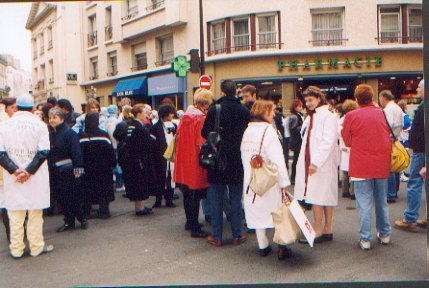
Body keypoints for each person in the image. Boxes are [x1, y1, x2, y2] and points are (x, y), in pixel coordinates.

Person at [0, 94, 54, 258]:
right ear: (32, 108)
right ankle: (37, 246)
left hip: (13, 177)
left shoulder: (5, 125)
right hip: (35, 176)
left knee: (15, 213)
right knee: (35, 213)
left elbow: (1, 153)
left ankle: (16, 249)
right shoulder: (40, 125)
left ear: (16, 108)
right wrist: (28, 171)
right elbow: (44, 151)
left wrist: (16, 170)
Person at [341, 84, 392, 250]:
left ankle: (365, 239)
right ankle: (384, 234)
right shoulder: (382, 113)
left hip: (360, 165)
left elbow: (346, 140)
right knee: (381, 201)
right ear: (372, 97)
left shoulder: (351, 116)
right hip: (381, 164)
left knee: (363, 203)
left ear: (356, 99)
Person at [241, 100, 292, 259]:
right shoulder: (269, 132)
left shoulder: (247, 131)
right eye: (271, 112)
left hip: (252, 180)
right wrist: (284, 183)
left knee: (257, 212)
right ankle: (282, 245)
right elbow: (278, 160)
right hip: (270, 180)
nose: (273, 114)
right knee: (278, 211)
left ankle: (262, 245)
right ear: (264, 113)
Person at [202, 80, 250, 246]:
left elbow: (204, 132)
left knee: (216, 198)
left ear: (222, 92)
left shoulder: (215, 110)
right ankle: (237, 234)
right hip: (237, 159)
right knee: (236, 199)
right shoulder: (244, 110)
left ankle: (217, 236)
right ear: (235, 91)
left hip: (218, 159)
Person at [294, 86, 339, 244]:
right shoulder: (312, 116)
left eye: (311, 100)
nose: (308, 103)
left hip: (320, 162)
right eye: (306, 100)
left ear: (319, 99)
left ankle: (319, 230)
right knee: (323, 195)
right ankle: (327, 229)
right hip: (313, 160)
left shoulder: (327, 115)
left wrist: (315, 162)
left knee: (319, 196)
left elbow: (328, 141)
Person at [174, 88, 213, 238]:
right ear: (205, 104)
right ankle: (195, 227)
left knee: (187, 193)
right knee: (195, 194)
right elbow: (201, 142)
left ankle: (189, 222)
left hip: (183, 159)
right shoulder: (200, 119)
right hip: (194, 161)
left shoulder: (184, 117)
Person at [395, 79, 427, 231]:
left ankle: (410, 219)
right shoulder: (422, 107)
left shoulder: (423, 108)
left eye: (419, 88)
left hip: (421, 151)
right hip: (421, 150)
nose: (417, 91)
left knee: (414, 183)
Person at [48, 108, 87, 232]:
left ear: (62, 119)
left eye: (54, 118)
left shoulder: (69, 133)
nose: (51, 120)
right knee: (61, 197)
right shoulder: (51, 134)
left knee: (72, 197)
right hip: (56, 171)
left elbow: (76, 154)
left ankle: (81, 218)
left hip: (68, 171)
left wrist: (78, 172)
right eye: (50, 118)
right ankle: (68, 221)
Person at [113, 105, 156, 216]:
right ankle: (140, 209)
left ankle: (139, 206)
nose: (145, 114)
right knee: (140, 183)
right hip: (138, 159)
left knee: (136, 183)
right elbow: (145, 142)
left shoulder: (130, 125)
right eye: (143, 112)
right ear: (138, 114)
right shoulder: (138, 126)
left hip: (130, 159)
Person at [79, 112, 116, 219]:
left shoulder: (81, 136)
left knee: (87, 190)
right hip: (103, 169)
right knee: (103, 189)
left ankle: (87, 211)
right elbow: (110, 152)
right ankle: (104, 210)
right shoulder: (103, 135)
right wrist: (112, 164)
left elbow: (78, 153)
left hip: (87, 169)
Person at [378, 90, 404, 203]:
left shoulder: (388, 109)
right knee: (395, 167)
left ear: (383, 98)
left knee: (389, 168)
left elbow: (387, 124)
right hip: (396, 138)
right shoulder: (397, 107)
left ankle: (390, 194)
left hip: (388, 139)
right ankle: (395, 191)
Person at [151, 104, 177, 208]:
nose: (172, 115)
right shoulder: (155, 127)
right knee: (160, 178)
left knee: (171, 178)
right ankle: (158, 200)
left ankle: (169, 199)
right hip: (160, 157)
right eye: (170, 113)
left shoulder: (174, 126)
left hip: (172, 157)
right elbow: (153, 143)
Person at [338, 100, 358, 209]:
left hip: (343, 146)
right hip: (352, 145)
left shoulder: (340, 119)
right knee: (354, 170)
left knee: (345, 169)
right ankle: (353, 192)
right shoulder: (353, 118)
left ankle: (345, 190)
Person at [288, 99, 304, 185]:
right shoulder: (294, 116)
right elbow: (293, 129)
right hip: (297, 141)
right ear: (295, 107)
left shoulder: (298, 115)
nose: (301, 108)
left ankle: (294, 176)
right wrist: (302, 128)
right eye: (299, 106)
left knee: (297, 159)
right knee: (296, 159)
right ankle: (293, 177)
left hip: (297, 140)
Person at [397, 100, 412, 182]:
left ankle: (401, 173)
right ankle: (401, 174)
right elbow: (407, 126)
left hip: (401, 138)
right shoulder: (405, 116)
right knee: (403, 158)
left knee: (401, 157)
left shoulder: (398, 116)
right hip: (404, 139)